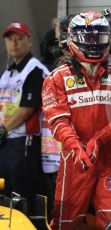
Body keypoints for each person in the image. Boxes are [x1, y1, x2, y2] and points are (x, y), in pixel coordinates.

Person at [42, 11, 111, 229]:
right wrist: (75, 147)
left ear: (108, 39)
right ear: (73, 39)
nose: (93, 44)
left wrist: (98, 141)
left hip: (110, 161)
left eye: (98, 37)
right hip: (75, 161)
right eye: (87, 38)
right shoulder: (57, 78)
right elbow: (58, 121)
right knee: (65, 224)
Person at [0, 21, 49, 215]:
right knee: (4, 195)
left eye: (19, 39)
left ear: (29, 41)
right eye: (10, 39)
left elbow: (26, 110)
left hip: (24, 144)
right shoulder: (7, 73)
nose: (14, 43)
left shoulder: (35, 70)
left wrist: (3, 130)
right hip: (6, 142)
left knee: (20, 197)